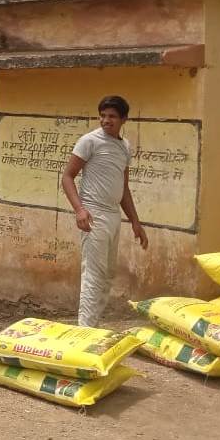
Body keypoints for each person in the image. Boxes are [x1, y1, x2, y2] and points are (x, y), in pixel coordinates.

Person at [61, 95, 149, 328]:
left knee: (107, 274)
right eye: (103, 116)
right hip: (93, 215)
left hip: (113, 216)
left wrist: (135, 222)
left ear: (124, 119)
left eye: (112, 116)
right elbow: (67, 177)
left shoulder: (124, 146)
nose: (106, 120)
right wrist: (79, 210)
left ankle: (93, 324)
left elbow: (124, 188)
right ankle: (85, 329)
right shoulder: (89, 141)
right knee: (93, 274)